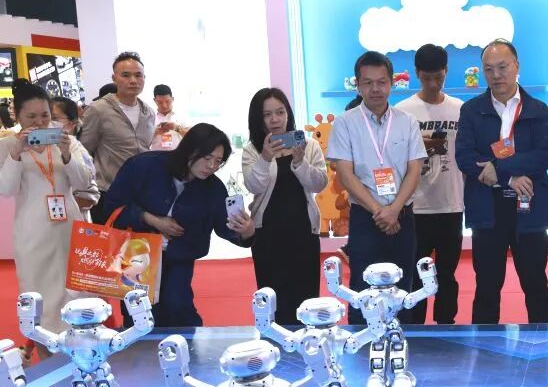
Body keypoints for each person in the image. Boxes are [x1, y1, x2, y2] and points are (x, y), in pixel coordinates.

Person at [102, 123, 255, 327]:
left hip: (180, 255)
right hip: (137, 254)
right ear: (189, 150)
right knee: (139, 313)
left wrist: (246, 232)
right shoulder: (143, 166)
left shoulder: (213, 188)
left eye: (218, 161)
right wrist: (150, 219)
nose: (211, 166)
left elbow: (224, 226)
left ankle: (187, 345)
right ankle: (139, 347)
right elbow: (112, 206)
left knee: (178, 307)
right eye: (207, 158)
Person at [456, 39, 548, 324]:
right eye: (489, 69)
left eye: (502, 67)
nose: (496, 75)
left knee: (536, 284)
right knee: (487, 287)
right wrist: (509, 177)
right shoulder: (471, 110)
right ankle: (484, 347)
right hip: (487, 209)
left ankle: (545, 344)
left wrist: (497, 167)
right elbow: (465, 157)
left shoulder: (538, 110)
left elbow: (542, 157)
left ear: (516, 66)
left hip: (529, 207)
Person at [327, 51, 425, 325]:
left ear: (391, 83)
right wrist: (379, 211)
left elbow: (414, 169)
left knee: (403, 286)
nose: (375, 89)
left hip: (402, 216)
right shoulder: (345, 123)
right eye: (368, 83)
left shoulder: (407, 121)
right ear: (357, 85)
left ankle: (401, 341)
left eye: (381, 82)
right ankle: (360, 343)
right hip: (365, 218)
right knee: (362, 287)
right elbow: (345, 174)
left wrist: (394, 209)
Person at [0, 80, 95, 355]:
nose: (40, 122)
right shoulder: (7, 146)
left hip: (70, 227)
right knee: (38, 294)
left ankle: (82, 353)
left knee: (76, 291)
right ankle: (47, 356)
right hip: (33, 232)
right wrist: (16, 153)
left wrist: (66, 154)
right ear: (18, 116)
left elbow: (84, 181)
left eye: (45, 115)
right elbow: (6, 189)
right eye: (31, 116)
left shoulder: (68, 142)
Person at [243, 88, 328, 325]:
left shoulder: (309, 145)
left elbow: (319, 184)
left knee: (306, 297)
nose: (275, 119)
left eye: (280, 112)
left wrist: (300, 161)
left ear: (288, 114)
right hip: (267, 234)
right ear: (258, 118)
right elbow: (253, 185)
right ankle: (274, 342)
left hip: (303, 230)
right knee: (272, 298)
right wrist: (265, 157)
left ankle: (308, 341)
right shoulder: (252, 150)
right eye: (267, 114)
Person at [395, 44, 465, 325]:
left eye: (439, 77)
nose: (433, 84)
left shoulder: (460, 109)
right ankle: (415, 329)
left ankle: (446, 327)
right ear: (416, 74)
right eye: (427, 78)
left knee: (447, 274)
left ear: (446, 71)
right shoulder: (403, 112)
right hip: (416, 207)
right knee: (415, 275)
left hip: (452, 204)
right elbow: (393, 158)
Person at [80, 52, 155, 221]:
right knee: (108, 237)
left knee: (140, 237)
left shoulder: (149, 112)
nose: (133, 80)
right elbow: (84, 151)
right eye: (126, 75)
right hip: (108, 191)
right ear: (114, 78)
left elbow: (146, 148)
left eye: (138, 75)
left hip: (141, 192)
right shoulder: (98, 109)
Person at [51, 95, 99, 219]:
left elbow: (90, 196)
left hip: (72, 220)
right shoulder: (37, 147)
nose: (47, 122)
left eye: (54, 118)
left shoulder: (77, 149)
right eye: (45, 116)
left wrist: (65, 202)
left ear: (71, 124)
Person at [151, 84, 188, 151]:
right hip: (156, 155)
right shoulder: (149, 117)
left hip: (178, 154)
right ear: (154, 100)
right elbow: (142, 141)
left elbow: (192, 136)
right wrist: (155, 132)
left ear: (172, 99)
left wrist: (177, 128)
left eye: (167, 101)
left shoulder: (182, 115)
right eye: (160, 102)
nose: (164, 106)